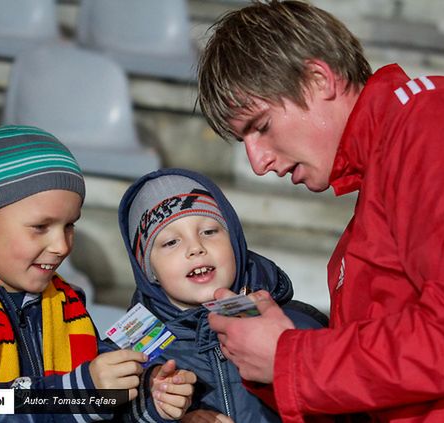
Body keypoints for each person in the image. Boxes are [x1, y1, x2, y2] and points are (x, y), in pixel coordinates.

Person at [196, 1, 444, 422]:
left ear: (318, 79)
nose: (259, 162)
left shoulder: (432, 121)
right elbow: (389, 386)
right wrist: (271, 364)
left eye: (261, 127)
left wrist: (291, 357)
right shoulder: (359, 232)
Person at [0, 125, 195, 422]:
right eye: (40, 227)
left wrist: (147, 399)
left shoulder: (65, 305)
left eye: (69, 225)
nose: (61, 245)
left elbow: (90, 404)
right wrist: (74, 394)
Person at [118, 168, 329, 423]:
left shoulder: (296, 325)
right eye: (171, 242)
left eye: (209, 231)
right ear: (148, 271)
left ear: (235, 242)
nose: (195, 248)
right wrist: (160, 413)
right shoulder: (129, 349)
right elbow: (100, 409)